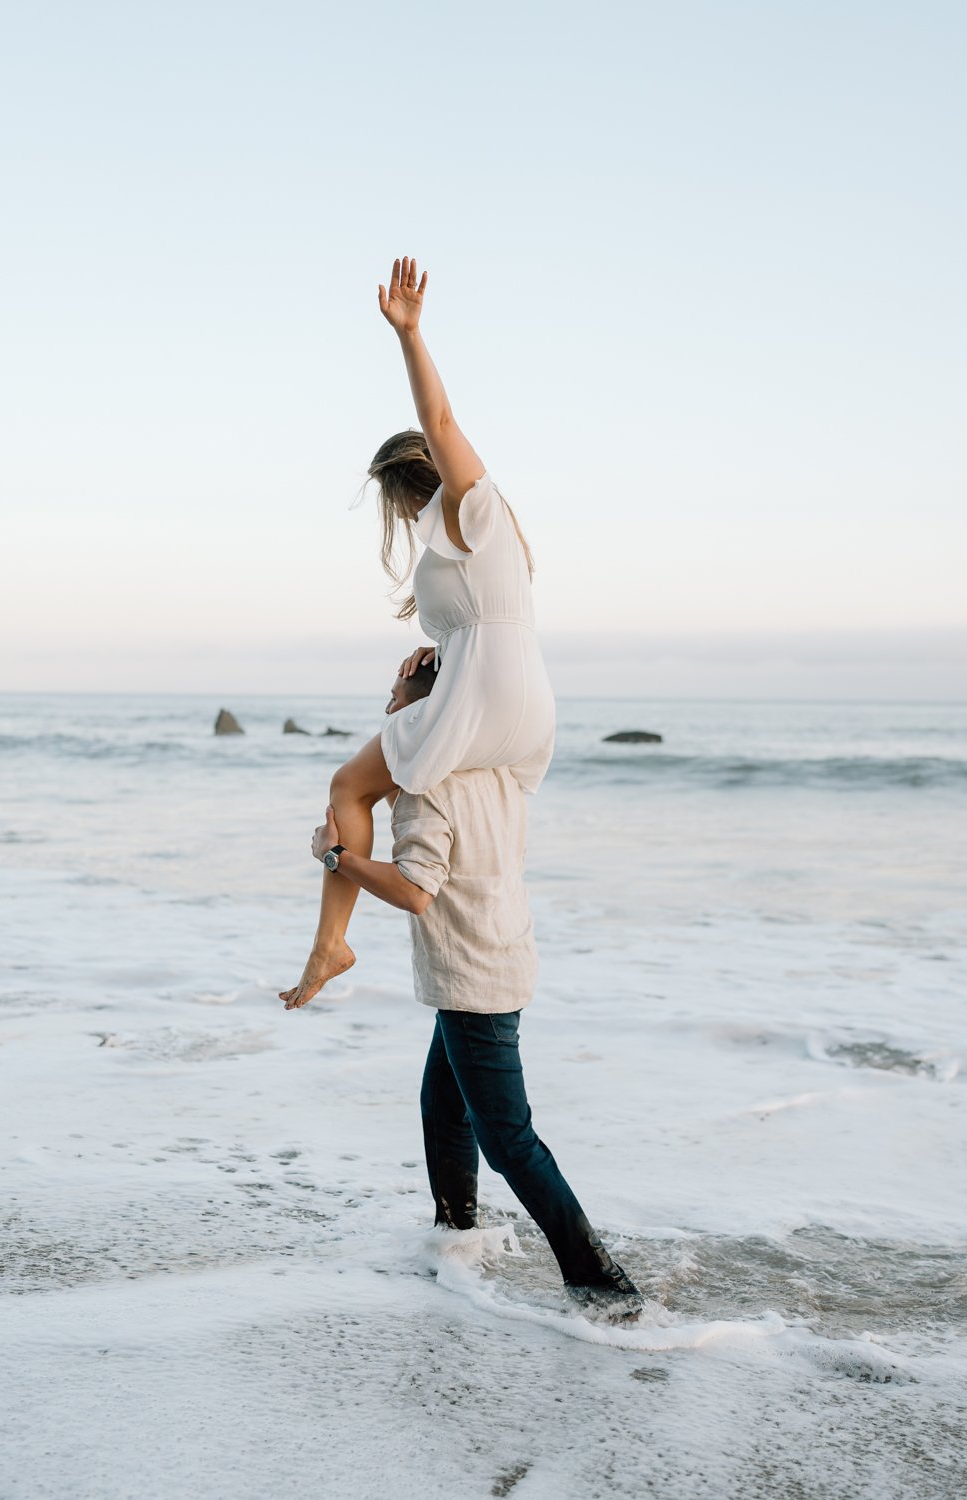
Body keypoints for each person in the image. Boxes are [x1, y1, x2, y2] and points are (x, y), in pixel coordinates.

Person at [280, 256, 555, 1012]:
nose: (402, 518)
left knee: (347, 787)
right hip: (521, 697)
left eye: (399, 502)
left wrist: (409, 334)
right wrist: (441, 653)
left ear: (413, 481)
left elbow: (440, 422)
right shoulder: (477, 545)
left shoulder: (474, 507)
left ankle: (331, 942)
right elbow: (480, 622)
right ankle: (473, 951)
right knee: (427, 787)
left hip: (488, 698)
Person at [279, 755, 645, 1324]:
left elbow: (415, 892)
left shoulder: (426, 790)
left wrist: (335, 856)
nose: (386, 714)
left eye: (395, 698)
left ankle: (602, 1284)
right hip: (503, 957)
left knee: (508, 1141)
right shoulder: (495, 770)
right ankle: (454, 1239)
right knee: (444, 1109)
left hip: (472, 981)